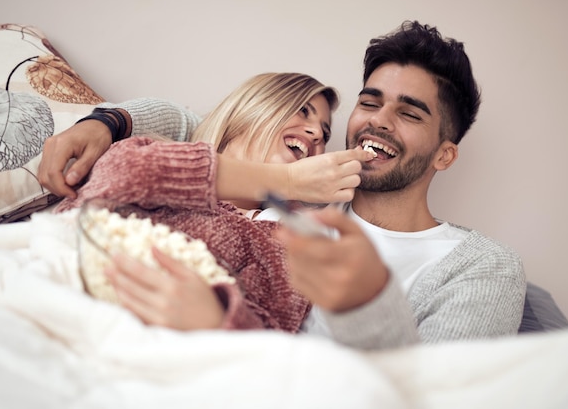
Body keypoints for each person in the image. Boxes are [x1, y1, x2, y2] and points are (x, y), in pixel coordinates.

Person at [39, 21, 526, 350]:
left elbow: (436, 394)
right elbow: (205, 131)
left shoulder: (483, 266)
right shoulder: (293, 197)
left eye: (409, 112)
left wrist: (366, 303)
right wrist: (109, 120)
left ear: (445, 153)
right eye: (370, 102)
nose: (378, 123)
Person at [53, 72, 373, 333]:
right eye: (303, 111)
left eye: (325, 132)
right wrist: (289, 180)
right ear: (251, 110)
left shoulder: (281, 242)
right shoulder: (151, 149)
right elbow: (126, 177)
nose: (317, 132)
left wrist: (218, 319)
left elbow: (270, 336)